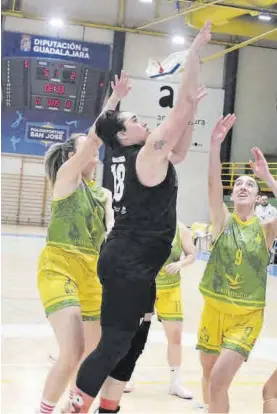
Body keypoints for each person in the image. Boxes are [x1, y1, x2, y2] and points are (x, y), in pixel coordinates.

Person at [69, 22, 212, 414]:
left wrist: (190, 106)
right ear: (125, 135)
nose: (140, 121)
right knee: (115, 341)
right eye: (133, 119)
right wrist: (194, 55)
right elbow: (179, 110)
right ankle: (74, 406)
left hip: (135, 264)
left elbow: (178, 150)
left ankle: (108, 407)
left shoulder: (124, 152)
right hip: (130, 262)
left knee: (137, 337)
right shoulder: (145, 153)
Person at [37, 72, 132, 414]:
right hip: (59, 266)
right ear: (74, 156)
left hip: (93, 272)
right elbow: (94, 138)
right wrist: (112, 103)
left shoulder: (103, 193)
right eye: (86, 145)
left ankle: (71, 408)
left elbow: (111, 233)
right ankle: (44, 409)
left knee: (93, 358)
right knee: (73, 350)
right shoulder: (66, 180)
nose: (94, 148)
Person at [197, 114, 277, 413]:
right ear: (232, 194)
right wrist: (215, 145)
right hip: (213, 311)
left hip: (246, 317)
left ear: (258, 199)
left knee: (218, 381)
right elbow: (211, 184)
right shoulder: (222, 221)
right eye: (239, 184)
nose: (243, 186)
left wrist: (268, 178)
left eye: (251, 185)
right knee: (208, 375)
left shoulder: (267, 229)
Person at [125, 222, 196, 399]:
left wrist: (180, 264)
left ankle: (175, 382)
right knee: (133, 334)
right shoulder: (144, 223)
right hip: (144, 286)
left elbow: (192, 255)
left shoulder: (181, 230)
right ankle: (125, 375)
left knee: (175, 336)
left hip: (170, 289)